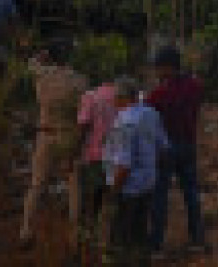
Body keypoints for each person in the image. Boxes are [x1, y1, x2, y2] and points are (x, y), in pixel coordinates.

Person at [20, 42, 88, 247]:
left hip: (45, 134)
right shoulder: (80, 81)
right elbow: (84, 113)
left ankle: (25, 231)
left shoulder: (42, 74)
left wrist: (42, 54)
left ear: (52, 57)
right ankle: (74, 237)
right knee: (74, 187)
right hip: (69, 135)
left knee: (37, 184)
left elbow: (30, 62)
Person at [103, 76, 169, 266]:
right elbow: (163, 147)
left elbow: (124, 164)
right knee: (140, 232)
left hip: (128, 188)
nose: (113, 100)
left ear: (123, 98)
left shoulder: (124, 123)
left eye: (115, 96)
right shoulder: (151, 114)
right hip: (147, 183)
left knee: (121, 237)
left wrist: (114, 190)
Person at [146, 46, 205, 252]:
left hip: (166, 148)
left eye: (159, 68)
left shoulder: (159, 93)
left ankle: (156, 244)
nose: (157, 72)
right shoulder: (195, 85)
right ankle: (197, 239)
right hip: (188, 145)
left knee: (160, 196)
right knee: (191, 193)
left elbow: (147, 112)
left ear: (168, 67)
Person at [75, 74, 119, 260]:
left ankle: (86, 249)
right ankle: (105, 249)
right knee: (109, 204)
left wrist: (75, 152)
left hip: (94, 158)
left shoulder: (90, 97)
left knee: (90, 205)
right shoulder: (124, 99)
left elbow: (83, 126)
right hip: (116, 160)